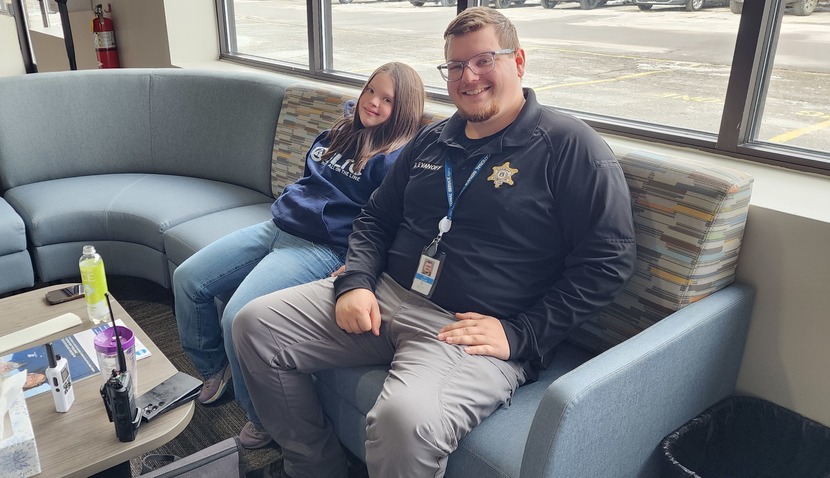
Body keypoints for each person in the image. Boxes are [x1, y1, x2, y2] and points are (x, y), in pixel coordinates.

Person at [232, 7, 637, 477]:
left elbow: (607, 261)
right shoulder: (432, 140)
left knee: (404, 422)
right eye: (456, 66)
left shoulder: (571, 147)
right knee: (254, 326)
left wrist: (523, 333)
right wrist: (356, 281)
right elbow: (376, 217)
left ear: (519, 61)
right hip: (385, 294)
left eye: (484, 60)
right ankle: (313, 467)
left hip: (467, 329)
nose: (469, 77)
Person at [171, 62, 426, 449]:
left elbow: (392, 224)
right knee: (188, 280)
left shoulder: (395, 160)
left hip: (321, 248)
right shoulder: (338, 132)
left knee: (237, 316)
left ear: (404, 109)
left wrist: (361, 267)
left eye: (387, 99)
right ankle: (214, 369)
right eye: (370, 91)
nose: (373, 102)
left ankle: (261, 420)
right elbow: (308, 184)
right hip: (276, 225)